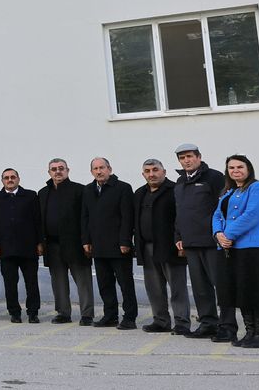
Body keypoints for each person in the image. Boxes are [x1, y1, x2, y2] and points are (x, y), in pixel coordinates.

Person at [173, 143, 233, 341]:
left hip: (212, 242)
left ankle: (227, 326)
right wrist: (178, 236)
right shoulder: (180, 181)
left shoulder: (214, 177)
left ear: (199, 157)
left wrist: (222, 234)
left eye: (190, 156)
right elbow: (180, 211)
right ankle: (208, 324)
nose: (186, 160)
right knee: (200, 288)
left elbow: (224, 208)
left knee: (221, 285)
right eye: (182, 158)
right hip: (190, 243)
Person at [214, 155, 259, 348]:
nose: (235, 170)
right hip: (231, 249)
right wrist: (218, 234)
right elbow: (217, 215)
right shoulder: (228, 192)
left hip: (253, 248)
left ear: (248, 168)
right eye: (231, 167)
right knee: (241, 291)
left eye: (240, 167)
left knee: (255, 290)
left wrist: (228, 234)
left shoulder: (258, 188)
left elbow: (252, 214)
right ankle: (250, 332)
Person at [134, 159, 189, 335]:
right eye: (147, 171)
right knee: (154, 288)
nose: (151, 174)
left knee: (177, 287)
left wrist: (181, 241)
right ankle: (161, 321)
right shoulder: (140, 193)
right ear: (143, 174)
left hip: (170, 247)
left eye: (155, 170)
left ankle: (182, 322)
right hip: (147, 247)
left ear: (164, 172)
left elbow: (182, 218)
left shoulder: (175, 190)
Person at [81, 157, 137, 330]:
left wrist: (125, 241)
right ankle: (110, 316)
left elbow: (127, 217)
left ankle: (130, 317)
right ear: (91, 171)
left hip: (119, 246)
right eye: (95, 168)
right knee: (104, 284)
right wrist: (86, 240)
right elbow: (85, 217)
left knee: (125, 284)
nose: (99, 171)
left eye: (102, 168)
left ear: (109, 169)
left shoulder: (123, 188)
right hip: (98, 246)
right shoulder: (88, 190)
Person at [39, 158, 94, 325]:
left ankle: (87, 314)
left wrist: (87, 240)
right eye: (54, 169)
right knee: (58, 282)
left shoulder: (80, 190)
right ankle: (63, 313)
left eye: (61, 168)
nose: (57, 171)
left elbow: (86, 217)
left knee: (83, 281)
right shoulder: (43, 192)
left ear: (67, 170)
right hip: (52, 245)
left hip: (76, 244)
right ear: (49, 172)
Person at [0, 169, 42, 324]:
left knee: (31, 283)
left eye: (13, 177)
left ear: (18, 179)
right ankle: (14, 312)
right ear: (2, 180)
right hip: (6, 248)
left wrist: (40, 242)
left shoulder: (30, 196)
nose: (10, 180)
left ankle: (33, 312)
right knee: (10, 283)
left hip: (28, 247)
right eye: (6, 178)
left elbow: (38, 220)